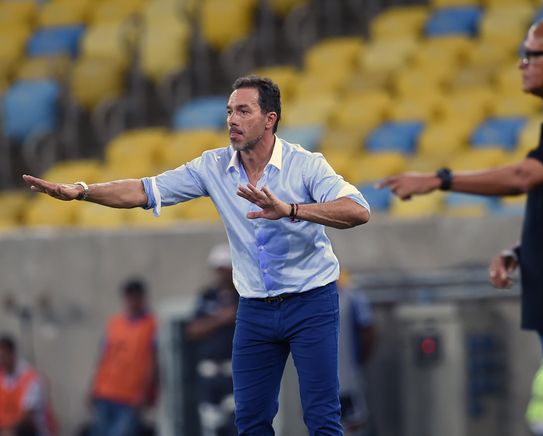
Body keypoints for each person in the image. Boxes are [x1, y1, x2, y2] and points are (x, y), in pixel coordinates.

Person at [24, 75, 371, 435]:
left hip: (311, 302)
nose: (231, 120)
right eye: (229, 111)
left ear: (270, 119)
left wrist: (292, 209)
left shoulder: (307, 165)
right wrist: (81, 191)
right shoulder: (213, 166)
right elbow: (144, 190)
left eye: (243, 111)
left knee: (322, 417)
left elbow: (358, 211)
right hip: (254, 307)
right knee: (250, 420)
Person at [377, 15, 543, 436]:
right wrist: (519, 251)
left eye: (531, 54)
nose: (521, 63)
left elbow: (521, 178)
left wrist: (440, 180)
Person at [88, 279, 157, 436]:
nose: (132, 301)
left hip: (130, 397)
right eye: (129, 297)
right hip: (105, 392)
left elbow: (152, 362)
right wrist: (93, 387)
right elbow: (103, 356)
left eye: (136, 297)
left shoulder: (151, 324)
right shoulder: (114, 323)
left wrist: (146, 392)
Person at [186, 244, 240, 436]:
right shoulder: (207, 296)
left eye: (224, 268)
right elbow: (193, 330)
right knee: (212, 425)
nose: (221, 273)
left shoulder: (241, 295)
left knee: (237, 422)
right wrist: (221, 318)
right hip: (209, 373)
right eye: (218, 269)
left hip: (233, 371)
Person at [336, 271, 376, 436]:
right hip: (347, 380)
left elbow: (368, 331)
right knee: (354, 426)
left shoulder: (351, 295)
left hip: (324, 381)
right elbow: (369, 331)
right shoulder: (353, 295)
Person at [0, 335, 58, 436]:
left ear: (11, 354)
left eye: (2, 356)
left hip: (32, 430)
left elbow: (27, 416)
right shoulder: (2, 377)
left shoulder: (33, 378)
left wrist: (7, 431)